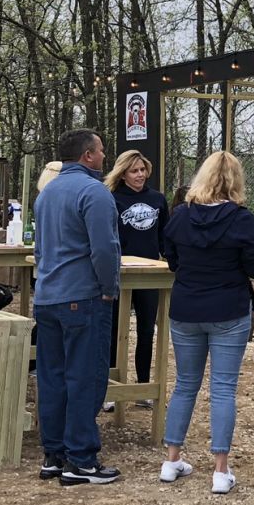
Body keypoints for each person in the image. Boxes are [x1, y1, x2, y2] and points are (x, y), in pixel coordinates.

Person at [159, 151, 254, 496]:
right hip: (228, 308)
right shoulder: (241, 219)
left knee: (184, 384)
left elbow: (171, 259)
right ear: (236, 180)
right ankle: (220, 470)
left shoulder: (180, 216)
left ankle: (171, 459)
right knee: (222, 388)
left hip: (187, 307)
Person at [33, 129, 123, 486]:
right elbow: (105, 248)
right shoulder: (94, 192)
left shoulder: (47, 193)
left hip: (48, 295)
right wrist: (108, 287)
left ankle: (54, 454)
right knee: (85, 377)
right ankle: (82, 460)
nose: (104, 156)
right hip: (83, 296)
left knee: (52, 377)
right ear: (88, 155)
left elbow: (41, 248)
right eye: (101, 150)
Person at [105, 149, 169, 397]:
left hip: (150, 272)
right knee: (114, 330)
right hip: (119, 272)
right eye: (134, 171)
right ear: (123, 174)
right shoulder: (111, 198)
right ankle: (111, 386)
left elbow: (164, 235)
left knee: (146, 330)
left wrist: (170, 260)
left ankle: (143, 385)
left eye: (143, 170)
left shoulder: (157, 199)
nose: (140, 175)